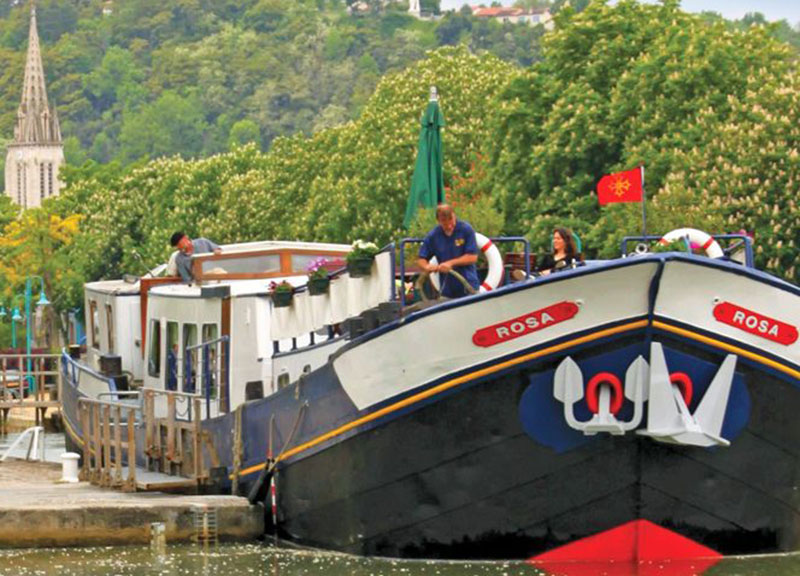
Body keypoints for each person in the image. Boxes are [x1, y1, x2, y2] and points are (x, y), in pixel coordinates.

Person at [417, 204, 480, 298]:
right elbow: (421, 258)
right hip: (447, 290)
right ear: (438, 221)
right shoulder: (433, 236)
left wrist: (450, 263)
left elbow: (472, 257)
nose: (449, 226)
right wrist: (427, 267)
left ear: (454, 216)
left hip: (468, 286)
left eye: (451, 221)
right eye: (445, 223)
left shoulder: (466, 229)